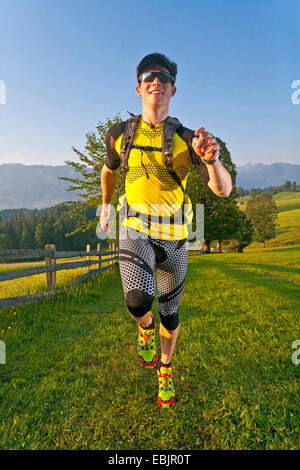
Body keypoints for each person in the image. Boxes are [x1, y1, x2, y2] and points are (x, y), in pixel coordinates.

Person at [100, 53, 232, 408]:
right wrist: (105, 205)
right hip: (135, 228)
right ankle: (144, 326)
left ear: (173, 88)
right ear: (139, 87)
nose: (155, 81)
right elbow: (109, 171)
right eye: (148, 76)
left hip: (175, 238)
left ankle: (166, 371)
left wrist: (212, 159)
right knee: (138, 300)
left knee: (171, 316)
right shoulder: (119, 135)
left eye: (163, 77)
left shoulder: (189, 140)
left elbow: (223, 190)